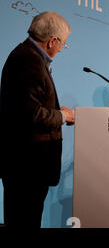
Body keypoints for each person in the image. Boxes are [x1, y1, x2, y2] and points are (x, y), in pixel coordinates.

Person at [0, 11, 75, 227]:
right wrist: (63, 116)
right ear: (52, 41)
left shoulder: (28, 56)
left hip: (27, 164)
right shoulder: (28, 60)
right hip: (26, 164)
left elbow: (28, 105)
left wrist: (55, 110)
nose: (61, 49)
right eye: (63, 44)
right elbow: (29, 114)